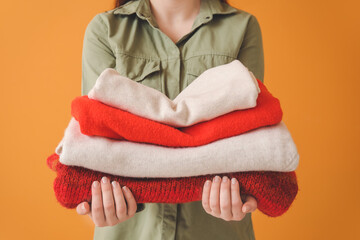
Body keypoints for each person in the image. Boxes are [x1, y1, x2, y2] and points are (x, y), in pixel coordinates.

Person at [76, 0, 264, 239]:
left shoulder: (242, 27)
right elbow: (95, 141)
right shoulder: (105, 30)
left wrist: (244, 192)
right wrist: (99, 197)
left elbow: (249, 139)